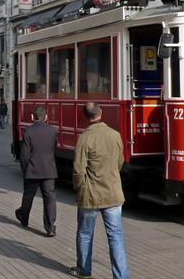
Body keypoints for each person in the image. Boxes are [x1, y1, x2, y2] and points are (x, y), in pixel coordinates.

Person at [69, 102, 129, 279]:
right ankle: (121, 276)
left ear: (85, 116)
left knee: (85, 234)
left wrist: (79, 189)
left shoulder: (84, 138)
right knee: (115, 237)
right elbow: (120, 162)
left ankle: (84, 270)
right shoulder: (115, 135)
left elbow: (78, 170)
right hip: (113, 194)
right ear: (101, 112)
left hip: (90, 196)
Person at [15, 106, 58, 237]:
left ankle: (24, 217)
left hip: (32, 170)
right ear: (46, 117)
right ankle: (50, 227)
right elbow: (53, 150)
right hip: (49, 170)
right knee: (50, 198)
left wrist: (25, 170)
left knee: (28, 196)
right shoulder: (53, 131)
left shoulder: (28, 131)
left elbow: (24, 155)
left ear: (32, 117)